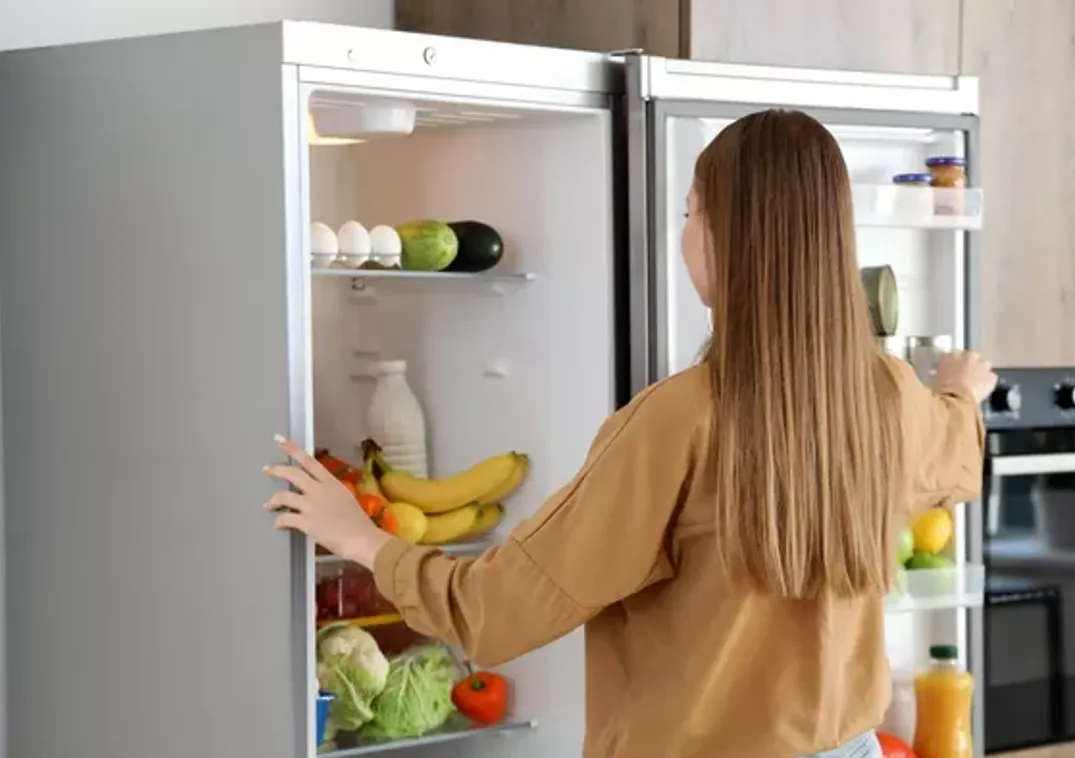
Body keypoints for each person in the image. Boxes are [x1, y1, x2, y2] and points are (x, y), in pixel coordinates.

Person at [265, 108, 996, 758]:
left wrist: (358, 538)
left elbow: (495, 611)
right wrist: (961, 390)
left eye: (690, 213)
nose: (682, 239)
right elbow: (957, 461)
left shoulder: (680, 420)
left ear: (727, 239)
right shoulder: (888, 393)